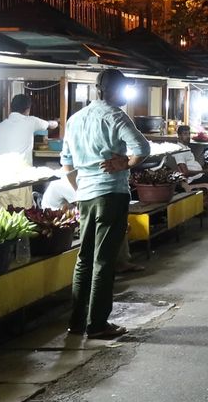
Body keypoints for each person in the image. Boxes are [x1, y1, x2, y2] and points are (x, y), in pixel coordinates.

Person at [60, 69, 151, 339]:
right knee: (104, 260)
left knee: (84, 258)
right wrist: (125, 162)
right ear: (115, 90)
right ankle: (97, 323)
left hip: (86, 195)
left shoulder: (75, 119)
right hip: (111, 194)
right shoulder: (115, 116)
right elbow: (142, 148)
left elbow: (66, 163)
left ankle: (76, 322)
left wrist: (81, 188)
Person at [0, 93, 59, 166]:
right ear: (28, 110)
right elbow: (51, 125)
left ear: (11, 108)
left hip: (1, 171)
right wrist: (57, 122)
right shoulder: (32, 121)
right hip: (22, 172)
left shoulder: (0, 126)